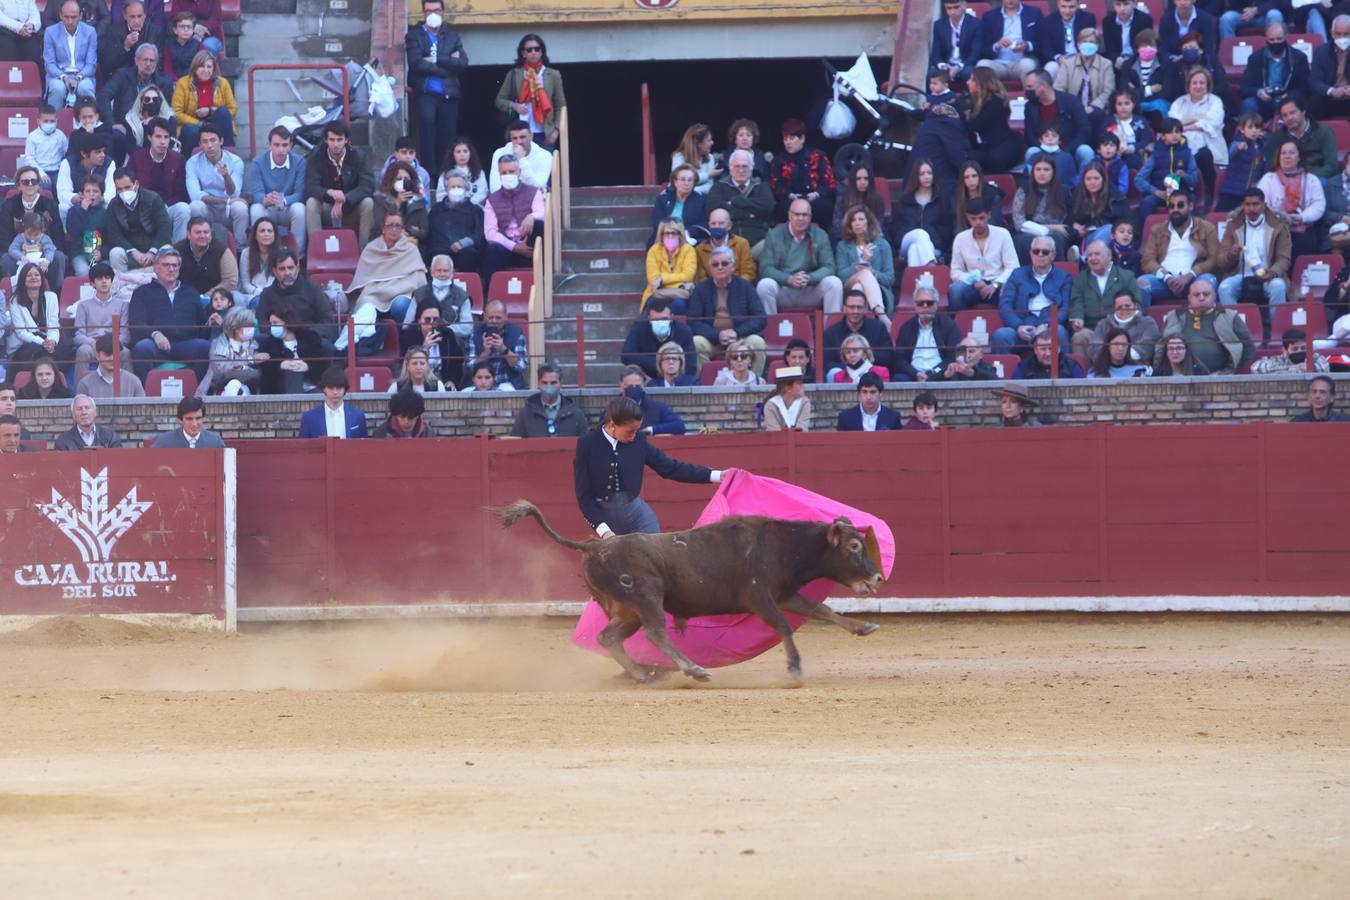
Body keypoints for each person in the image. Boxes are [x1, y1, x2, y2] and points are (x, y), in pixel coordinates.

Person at [573, 395, 722, 538]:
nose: (633, 436)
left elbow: (670, 468)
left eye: (636, 430)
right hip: (604, 518)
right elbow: (584, 497)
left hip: (637, 515)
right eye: (629, 431)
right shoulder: (588, 444)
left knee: (656, 557)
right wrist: (605, 531)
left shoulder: (638, 440)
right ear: (612, 426)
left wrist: (716, 475)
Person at [406, 0, 466, 183]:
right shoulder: (414, 35)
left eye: (437, 10)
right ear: (423, 13)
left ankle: (447, 173)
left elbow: (462, 64)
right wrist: (447, 62)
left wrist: (434, 59)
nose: (433, 13)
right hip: (426, 93)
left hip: (449, 94)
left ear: (443, 11)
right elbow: (416, 63)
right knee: (427, 129)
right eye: (429, 10)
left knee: (447, 135)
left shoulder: (452, 36)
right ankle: (430, 175)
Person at [127, 247, 209, 380]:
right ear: (155, 268)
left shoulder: (191, 292)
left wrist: (210, 323)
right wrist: (155, 334)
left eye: (174, 265)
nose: (171, 269)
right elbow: (136, 323)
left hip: (186, 343)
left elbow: (201, 326)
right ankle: (144, 397)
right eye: (166, 265)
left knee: (206, 348)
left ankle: (195, 395)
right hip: (155, 345)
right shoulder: (142, 292)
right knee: (142, 348)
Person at [687, 245, 768, 372]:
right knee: (696, 342)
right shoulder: (700, 289)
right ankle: (703, 388)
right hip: (712, 340)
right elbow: (693, 321)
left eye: (724, 263)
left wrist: (737, 333)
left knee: (757, 343)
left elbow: (760, 318)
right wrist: (717, 335)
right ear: (710, 268)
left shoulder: (745, 287)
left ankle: (754, 385)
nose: (719, 267)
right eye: (715, 264)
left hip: (740, 339)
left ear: (733, 266)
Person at [756, 197, 842, 315]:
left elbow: (829, 267)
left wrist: (810, 278)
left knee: (834, 283)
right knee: (764, 285)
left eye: (805, 215)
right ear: (789, 215)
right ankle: (770, 330)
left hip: (809, 289)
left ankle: (830, 331)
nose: (801, 218)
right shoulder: (774, 235)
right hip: (784, 288)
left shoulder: (820, 235)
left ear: (810, 217)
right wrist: (789, 279)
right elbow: (765, 268)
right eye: (797, 214)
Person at [1155, 278, 1255, 375]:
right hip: (1181, 377)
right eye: (1196, 295)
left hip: (1218, 378)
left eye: (1206, 294)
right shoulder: (1174, 316)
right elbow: (1160, 347)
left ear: (1214, 296)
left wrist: (1229, 370)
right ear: (1189, 298)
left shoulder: (1228, 315)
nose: (1201, 298)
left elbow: (1249, 345)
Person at [993, 234, 1072, 355]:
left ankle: (1064, 372)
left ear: (1053, 255)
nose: (1040, 254)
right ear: (1030, 253)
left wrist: (1046, 325)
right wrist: (1018, 326)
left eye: (1045, 252)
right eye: (1036, 251)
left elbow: (1065, 308)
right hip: (1022, 325)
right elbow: (1005, 304)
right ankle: (1001, 373)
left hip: (1049, 327)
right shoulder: (1017, 274)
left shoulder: (1064, 277)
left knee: (1060, 332)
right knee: (1001, 335)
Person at [1139, 190, 1219, 306]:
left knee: (1207, 281)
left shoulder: (1207, 228)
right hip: (1165, 282)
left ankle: (1204, 323)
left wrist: (1191, 274)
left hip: (1194, 280)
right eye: (1171, 206)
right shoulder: (1157, 230)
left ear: (1190, 206)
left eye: (1180, 205)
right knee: (1141, 283)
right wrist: (1167, 277)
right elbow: (1147, 261)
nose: (1175, 209)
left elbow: (1214, 259)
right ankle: (1144, 323)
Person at [348, 212, 428, 327]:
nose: (394, 229)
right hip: (375, 295)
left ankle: (404, 339)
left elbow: (419, 279)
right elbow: (362, 281)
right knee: (366, 305)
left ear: (402, 229)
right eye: (390, 225)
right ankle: (357, 341)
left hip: (402, 293)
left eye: (397, 226)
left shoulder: (411, 250)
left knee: (400, 305)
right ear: (383, 228)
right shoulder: (372, 248)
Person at [1217, 189, 1293, 310]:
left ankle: (1277, 327)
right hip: (1239, 275)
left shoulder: (1278, 225)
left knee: (1278, 286)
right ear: (1243, 205)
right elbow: (1221, 260)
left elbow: (1284, 259)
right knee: (1224, 288)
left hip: (1269, 274)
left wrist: (1272, 273)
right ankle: (1233, 326)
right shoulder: (1232, 225)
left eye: (1256, 204)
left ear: (1264, 205)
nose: (1251, 208)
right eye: (1248, 204)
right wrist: (1232, 255)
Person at [304, 121, 376, 246]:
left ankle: (364, 255)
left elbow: (368, 186)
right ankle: (317, 253)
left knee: (368, 203)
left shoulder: (359, 156)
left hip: (350, 208)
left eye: (339, 140)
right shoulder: (316, 156)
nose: (335, 144)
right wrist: (329, 193)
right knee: (311, 203)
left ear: (347, 140)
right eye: (332, 140)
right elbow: (310, 186)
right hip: (327, 208)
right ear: (325, 140)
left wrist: (345, 198)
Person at [1069, 239, 1142, 357]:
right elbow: (1076, 302)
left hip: (1120, 329)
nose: (1092, 258)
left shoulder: (1126, 276)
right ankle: (1083, 374)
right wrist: (1077, 318)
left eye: (1097, 254)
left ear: (1109, 255)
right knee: (1079, 336)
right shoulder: (1080, 279)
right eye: (1090, 255)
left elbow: (1137, 304)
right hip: (1092, 329)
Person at [481, 155, 544, 290]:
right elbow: (490, 233)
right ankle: (489, 295)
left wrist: (531, 216)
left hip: (530, 244)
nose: (508, 175)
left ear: (519, 172)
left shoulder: (533, 192)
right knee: (492, 249)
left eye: (511, 172)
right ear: (499, 174)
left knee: (539, 224)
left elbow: (542, 213)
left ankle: (544, 285)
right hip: (507, 248)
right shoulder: (492, 199)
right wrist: (513, 247)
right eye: (504, 173)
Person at [494, 33, 565, 152]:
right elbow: (499, 101)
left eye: (537, 49)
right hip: (520, 133)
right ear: (523, 53)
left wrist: (556, 130)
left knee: (545, 169)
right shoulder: (514, 74)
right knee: (520, 167)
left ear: (542, 52)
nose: (533, 52)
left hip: (545, 133)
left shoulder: (553, 75)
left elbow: (560, 106)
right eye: (529, 49)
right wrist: (514, 106)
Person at [1257, 140, 1327, 257]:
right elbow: (1261, 204)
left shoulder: (1311, 179)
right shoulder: (1268, 179)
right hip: (1275, 230)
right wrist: (1280, 217)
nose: (1287, 156)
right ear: (1278, 157)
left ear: (1299, 157)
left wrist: (1302, 217)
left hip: (1304, 231)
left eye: (1291, 153)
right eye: (1283, 153)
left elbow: (1318, 205)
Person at [949, 197, 1020, 312]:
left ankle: (1008, 327)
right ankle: (957, 327)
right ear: (968, 218)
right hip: (973, 285)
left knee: (1013, 291)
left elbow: (1013, 267)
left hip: (998, 284)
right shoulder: (960, 239)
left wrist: (995, 285)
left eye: (981, 218)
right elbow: (955, 271)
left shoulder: (1003, 234)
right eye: (973, 219)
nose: (978, 222)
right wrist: (973, 281)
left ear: (989, 215)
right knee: (955, 291)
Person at [1170, 66, 1227, 205]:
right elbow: (1172, 124)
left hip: (1208, 144)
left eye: (1202, 83)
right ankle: (1179, 198)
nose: (1198, 86)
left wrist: (1184, 125)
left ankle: (1213, 196)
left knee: (1204, 156)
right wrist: (1198, 120)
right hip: (1182, 145)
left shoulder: (1215, 101)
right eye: (1194, 83)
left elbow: (1211, 123)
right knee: (1175, 158)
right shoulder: (1179, 102)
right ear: (1188, 85)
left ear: (1207, 85)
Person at [184, 123, 247, 249]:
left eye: (213, 140)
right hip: (207, 208)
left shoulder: (235, 161)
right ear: (200, 144)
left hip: (227, 211)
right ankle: (198, 246)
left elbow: (234, 194)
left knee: (240, 208)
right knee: (194, 206)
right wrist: (226, 201)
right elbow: (196, 195)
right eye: (205, 142)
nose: (209, 145)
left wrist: (226, 176)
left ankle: (240, 248)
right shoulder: (192, 162)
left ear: (221, 141)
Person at [248, 125, 308, 257]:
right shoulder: (258, 162)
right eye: (276, 145)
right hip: (268, 207)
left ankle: (298, 255)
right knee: (255, 209)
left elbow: (300, 193)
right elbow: (256, 192)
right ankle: (261, 255)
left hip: (288, 206)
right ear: (269, 145)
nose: (281, 149)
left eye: (284, 145)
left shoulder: (299, 162)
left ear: (291, 145)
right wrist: (265, 199)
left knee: (300, 209)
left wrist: (283, 200)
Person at [128, 119, 191, 242]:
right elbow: (129, 186)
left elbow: (181, 193)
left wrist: (165, 206)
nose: (163, 142)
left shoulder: (178, 160)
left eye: (166, 137)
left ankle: (178, 251)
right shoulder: (136, 158)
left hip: (168, 207)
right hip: (142, 208)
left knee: (183, 209)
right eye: (158, 137)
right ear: (149, 137)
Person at [0, 167, 66, 281]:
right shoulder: (8, 205)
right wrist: (19, 252)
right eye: (25, 182)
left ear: (39, 184)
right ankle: (11, 292)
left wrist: (46, 251)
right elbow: (4, 235)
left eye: (34, 181)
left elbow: (58, 234)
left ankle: (55, 293)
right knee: (6, 259)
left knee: (59, 257)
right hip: (18, 252)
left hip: (44, 251)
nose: (30, 184)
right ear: (18, 186)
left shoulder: (50, 204)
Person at [1022, 69, 1094, 170]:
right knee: (1031, 152)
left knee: (1085, 151)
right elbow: (1029, 135)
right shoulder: (1030, 106)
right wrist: (1045, 147)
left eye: (1030, 87)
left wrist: (1066, 151)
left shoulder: (1071, 101)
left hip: (1069, 147)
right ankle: (1032, 184)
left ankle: (1084, 183)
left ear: (1043, 85)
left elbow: (1084, 131)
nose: (1026, 90)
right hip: (1043, 148)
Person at [768, 119, 835, 227]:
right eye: (785, 139)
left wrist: (816, 194)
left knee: (824, 207)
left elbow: (829, 182)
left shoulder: (818, 156)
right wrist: (790, 195)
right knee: (784, 208)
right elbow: (776, 185)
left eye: (791, 138)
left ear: (802, 138)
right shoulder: (778, 161)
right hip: (790, 201)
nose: (788, 142)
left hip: (816, 201)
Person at [833, 206, 896, 321]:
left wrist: (873, 272)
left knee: (860, 286)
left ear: (869, 222)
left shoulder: (883, 245)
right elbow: (841, 275)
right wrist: (862, 262)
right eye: (853, 220)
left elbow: (889, 278)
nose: (857, 223)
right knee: (864, 274)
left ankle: (861, 323)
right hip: (849, 286)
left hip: (878, 290)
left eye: (861, 219)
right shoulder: (842, 246)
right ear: (850, 225)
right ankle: (882, 317)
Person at [1052, 26, 1114, 137]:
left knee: (1096, 115)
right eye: (1084, 41)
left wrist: (1093, 106)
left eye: (1092, 42)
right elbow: (1059, 89)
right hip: (1071, 108)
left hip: (1095, 109)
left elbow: (1108, 90)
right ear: (1078, 44)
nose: (1088, 44)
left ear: (1098, 45)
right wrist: (1075, 107)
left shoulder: (1106, 64)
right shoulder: (1067, 64)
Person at [1240, 21, 1310, 120]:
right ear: (1265, 39)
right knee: (1249, 104)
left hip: (1289, 100)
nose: (1275, 42)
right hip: (1264, 100)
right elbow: (1244, 87)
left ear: (1286, 37)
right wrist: (1259, 92)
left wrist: (1288, 95)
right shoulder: (1255, 58)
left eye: (1279, 39)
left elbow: (1305, 88)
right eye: (1271, 40)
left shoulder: (1299, 58)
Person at [1011, 153, 1073, 264]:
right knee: (1024, 241)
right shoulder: (1024, 189)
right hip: (1027, 232)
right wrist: (1051, 227)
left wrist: (1056, 230)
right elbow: (1019, 223)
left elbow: (1068, 221)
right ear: (1033, 172)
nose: (1042, 173)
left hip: (1056, 234)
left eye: (1046, 169)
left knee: (1055, 240)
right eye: (1038, 169)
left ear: (1053, 172)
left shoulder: (1064, 191)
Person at [706, 150, 775, 249]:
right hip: (727, 244)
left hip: (758, 243)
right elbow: (712, 208)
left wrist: (736, 202)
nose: (741, 170)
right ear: (730, 168)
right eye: (737, 166)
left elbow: (768, 207)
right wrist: (748, 214)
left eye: (744, 166)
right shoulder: (719, 186)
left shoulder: (761, 186)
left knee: (770, 248)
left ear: (751, 168)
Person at [892, 159, 952, 270]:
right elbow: (895, 229)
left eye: (929, 173)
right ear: (916, 176)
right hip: (906, 242)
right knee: (920, 234)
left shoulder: (942, 200)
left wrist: (937, 240)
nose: (927, 177)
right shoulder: (905, 200)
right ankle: (931, 266)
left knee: (914, 250)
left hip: (933, 247)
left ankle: (918, 284)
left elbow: (947, 228)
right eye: (922, 174)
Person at [893, 285, 962, 382]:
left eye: (929, 303)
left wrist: (932, 373)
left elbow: (952, 356)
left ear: (936, 305)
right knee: (898, 379)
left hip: (941, 373)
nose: (925, 306)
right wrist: (915, 373)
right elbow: (899, 359)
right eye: (920, 303)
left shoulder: (949, 325)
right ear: (915, 306)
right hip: (914, 374)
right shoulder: (906, 328)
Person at [171, 50, 236, 154]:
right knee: (191, 131)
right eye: (202, 66)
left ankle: (228, 157)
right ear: (195, 68)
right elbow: (176, 113)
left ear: (213, 68)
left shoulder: (223, 83)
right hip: (193, 125)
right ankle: (189, 165)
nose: (206, 70)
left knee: (223, 112)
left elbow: (232, 110)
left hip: (216, 124)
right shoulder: (183, 83)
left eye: (209, 67)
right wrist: (199, 123)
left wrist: (210, 111)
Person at [1263, 95, 1340, 180]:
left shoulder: (1323, 131)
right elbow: (1273, 165)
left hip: (1317, 176)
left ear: (1303, 111)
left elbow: (1332, 166)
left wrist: (1307, 178)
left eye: (1292, 113)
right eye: (1285, 115)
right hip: (1287, 178)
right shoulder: (1279, 136)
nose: (1289, 118)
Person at [1134, 119, 1199, 219]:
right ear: (1163, 136)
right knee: (1147, 202)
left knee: (1192, 200)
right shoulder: (1155, 154)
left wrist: (1184, 175)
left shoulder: (1187, 153)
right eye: (1170, 132)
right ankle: (1143, 234)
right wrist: (1155, 191)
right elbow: (1139, 179)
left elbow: (1194, 180)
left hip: (1182, 192)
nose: (1175, 135)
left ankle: (1193, 233)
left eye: (1177, 132)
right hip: (1160, 193)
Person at [71, 262, 130, 372]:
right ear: (93, 284)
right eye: (99, 278)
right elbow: (78, 336)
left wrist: (112, 344)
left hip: (114, 345)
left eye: (107, 278)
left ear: (111, 281)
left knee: (126, 353)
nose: (104, 281)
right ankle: (80, 388)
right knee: (82, 351)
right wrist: (93, 343)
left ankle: (129, 388)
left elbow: (125, 336)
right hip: (92, 345)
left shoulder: (122, 305)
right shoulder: (83, 306)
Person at [3, 263, 62, 370]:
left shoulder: (52, 297)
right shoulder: (14, 301)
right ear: (23, 280)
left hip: (47, 342)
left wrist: (52, 341)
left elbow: (54, 325)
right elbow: (21, 333)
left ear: (42, 278)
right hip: (23, 345)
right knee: (37, 350)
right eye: (29, 275)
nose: (33, 277)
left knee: (65, 349)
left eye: (37, 274)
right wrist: (43, 343)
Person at [621, 296, 696, 381]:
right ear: (649, 319)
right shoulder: (639, 328)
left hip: (676, 377)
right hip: (648, 377)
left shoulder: (684, 331)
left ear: (671, 317)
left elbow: (691, 364)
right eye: (656, 319)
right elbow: (626, 355)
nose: (660, 322)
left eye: (664, 319)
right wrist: (659, 363)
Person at [962, 67, 1021, 175]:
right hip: (988, 147)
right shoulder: (973, 100)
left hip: (1004, 148)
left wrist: (959, 116)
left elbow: (976, 125)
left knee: (991, 161)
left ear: (981, 83)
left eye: (972, 80)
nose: (968, 82)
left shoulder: (995, 102)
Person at [822, 288, 894, 376]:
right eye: (851, 307)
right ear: (844, 308)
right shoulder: (831, 333)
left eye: (859, 307)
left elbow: (888, 357)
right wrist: (851, 368)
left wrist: (864, 359)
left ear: (865, 308)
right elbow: (827, 362)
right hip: (844, 376)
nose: (855, 311)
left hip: (871, 376)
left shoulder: (878, 328)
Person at [398, 297, 462, 389]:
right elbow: (405, 366)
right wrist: (424, 348)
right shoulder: (408, 337)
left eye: (435, 319)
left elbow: (456, 363)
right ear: (419, 320)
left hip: (443, 384)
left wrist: (452, 381)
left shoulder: (447, 335)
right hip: (417, 384)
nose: (432, 324)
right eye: (427, 320)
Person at [42, 1, 97, 110]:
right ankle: (53, 121)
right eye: (66, 17)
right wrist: (65, 78)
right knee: (58, 88)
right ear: (60, 15)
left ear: (80, 16)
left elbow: (91, 65)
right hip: (58, 75)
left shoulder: (90, 32)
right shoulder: (50, 32)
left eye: (73, 17)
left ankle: (90, 124)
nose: (70, 21)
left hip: (83, 75)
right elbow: (50, 64)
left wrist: (78, 78)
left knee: (85, 87)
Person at [426, 173, 484, 272]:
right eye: (452, 187)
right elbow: (429, 234)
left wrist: (464, 243)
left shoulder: (475, 210)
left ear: (466, 189)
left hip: (465, 252)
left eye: (459, 187)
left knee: (469, 253)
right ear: (446, 190)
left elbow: (480, 234)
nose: (456, 189)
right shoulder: (436, 210)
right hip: (440, 251)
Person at [509, 363, 587, 438]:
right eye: (544, 383)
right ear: (538, 384)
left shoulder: (576, 414)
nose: (549, 386)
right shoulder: (525, 415)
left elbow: (585, 446)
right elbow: (515, 443)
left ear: (561, 384)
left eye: (553, 383)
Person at [976, 0, 1044, 81]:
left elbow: (1043, 42)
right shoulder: (989, 16)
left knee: (1027, 64)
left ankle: (1030, 93)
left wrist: (1027, 45)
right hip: (998, 64)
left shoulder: (1034, 13)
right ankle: (988, 94)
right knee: (982, 65)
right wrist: (997, 45)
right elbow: (983, 47)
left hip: (1022, 61)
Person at [198, 305, 259, 395]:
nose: (252, 328)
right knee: (234, 385)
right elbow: (222, 370)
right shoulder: (218, 343)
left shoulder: (253, 344)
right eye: (248, 325)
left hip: (248, 386)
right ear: (236, 327)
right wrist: (250, 362)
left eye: (253, 324)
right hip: (219, 388)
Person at [466, 299, 527, 389]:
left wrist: (504, 350)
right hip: (479, 384)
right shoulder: (474, 333)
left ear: (506, 317)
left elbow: (521, 366)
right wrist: (485, 354)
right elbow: (469, 367)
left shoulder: (516, 333)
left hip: (507, 383)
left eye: (498, 318)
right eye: (491, 317)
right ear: (485, 316)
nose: (494, 321)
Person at [411, 254, 474, 340]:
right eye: (439, 270)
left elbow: (467, 327)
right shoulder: (419, 294)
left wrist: (443, 330)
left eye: (446, 271)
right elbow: (408, 324)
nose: (442, 274)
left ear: (452, 273)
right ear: (431, 272)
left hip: (452, 343)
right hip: (423, 342)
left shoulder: (462, 296)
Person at [1218, 113, 1272, 213]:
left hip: (1249, 192)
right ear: (1242, 129)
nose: (1254, 130)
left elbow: (1264, 170)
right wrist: (1239, 147)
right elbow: (1231, 152)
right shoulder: (1238, 142)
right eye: (1250, 127)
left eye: (1257, 127)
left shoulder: (1262, 148)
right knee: (1222, 216)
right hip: (1231, 190)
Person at [1087, 290, 1159, 366]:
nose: (1124, 309)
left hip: (1138, 367)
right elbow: (1094, 347)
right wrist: (1114, 357)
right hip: (1106, 368)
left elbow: (1148, 347)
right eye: (1120, 307)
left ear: (1135, 306)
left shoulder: (1148, 322)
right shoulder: (1103, 324)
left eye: (1127, 306)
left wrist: (1119, 355)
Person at [298, 365, 368, 439]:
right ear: (324, 389)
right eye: (331, 388)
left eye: (339, 388)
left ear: (344, 389)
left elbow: (363, 446)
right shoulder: (309, 417)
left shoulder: (357, 415)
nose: (335, 392)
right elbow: (303, 448)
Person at [642, 218, 695, 312]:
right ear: (661, 235)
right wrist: (680, 285)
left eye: (674, 233)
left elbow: (688, 276)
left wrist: (662, 279)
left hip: (679, 294)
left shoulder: (688, 250)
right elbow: (653, 280)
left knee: (679, 305)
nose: (670, 236)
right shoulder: (653, 250)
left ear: (680, 235)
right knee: (651, 304)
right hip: (657, 293)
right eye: (667, 233)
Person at [175, 215, 237, 295]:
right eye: (198, 232)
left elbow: (230, 281)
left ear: (211, 235)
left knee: (237, 298)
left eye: (206, 232)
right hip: (183, 296)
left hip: (215, 298)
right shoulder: (177, 251)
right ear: (189, 234)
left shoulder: (222, 251)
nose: (202, 236)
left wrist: (207, 296)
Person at [373, 161, 430, 249]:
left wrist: (408, 231)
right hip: (386, 246)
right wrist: (397, 204)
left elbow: (424, 232)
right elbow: (379, 227)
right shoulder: (380, 199)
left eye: (406, 179)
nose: (403, 182)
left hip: (412, 247)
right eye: (399, 179)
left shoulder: (418, 201)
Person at [649, 164, 707, 247]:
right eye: (683, 180)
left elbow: (704, 224)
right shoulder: (663, 199)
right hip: (665, 238)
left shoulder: (701, 200)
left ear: (694, 183)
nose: (686, 183)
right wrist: (672, 233)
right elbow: (657, 222)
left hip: (690, 240)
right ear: (675, 182)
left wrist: (688, 232)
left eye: (690, 180)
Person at [488, 120, 553, 194]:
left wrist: (522, 159)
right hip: (506, 200)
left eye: (522, 137)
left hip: (534, 201)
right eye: (515, 138)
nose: (519, 142)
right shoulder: (500, 153)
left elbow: (537, 187)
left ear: (531, 136)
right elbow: (494, 187)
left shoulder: (545, 156)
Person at [617, 369, 686, 435]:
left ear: (643, 386)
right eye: (630, 386)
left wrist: (651, 430)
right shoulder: (613, 409)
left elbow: (679, 426)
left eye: (638, 386)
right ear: (621, 387)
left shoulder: (657, 408)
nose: (634, 389)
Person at [695, 207, 755, 283]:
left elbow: (748, 272)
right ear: (709, 226)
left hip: (738, 289)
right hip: (712, 292)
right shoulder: (700, 249)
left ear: (729, 225)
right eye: (713, 223)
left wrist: (736, 287)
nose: (717, 226)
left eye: (721, 223)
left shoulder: (742, 243)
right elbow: (701, 278)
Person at [77, 333, 146, 398]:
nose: (112, 358)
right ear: (97, 356)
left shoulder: (134, 381)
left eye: (115, 354)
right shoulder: (84, 384)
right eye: (107, 354)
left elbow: (143, 409)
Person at [831, 162, 888, 240]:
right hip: (847, 238)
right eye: (858, 178)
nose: (863, 182)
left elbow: (879, 225)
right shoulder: (843, 198)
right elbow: (836, 226)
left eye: (866, 178)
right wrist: (855, 235)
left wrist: (865, 236)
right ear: (853, 180)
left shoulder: (877, 199)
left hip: (871, 238)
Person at [1309, 15, 1350, 120]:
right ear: (1332, 33)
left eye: (1346, 34)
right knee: (1315, 99)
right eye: (1338, 34)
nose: (1342, 38)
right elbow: (1315, 81)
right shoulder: (1321, 52)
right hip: (1329, 97)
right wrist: (1331, 91)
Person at [932, 0, 981, 85]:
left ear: (964, 6)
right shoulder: (939, 25)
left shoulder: (975, 24)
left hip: (965, 64)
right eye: (949, 8)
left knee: (968, 73)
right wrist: (942, 65)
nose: (952, 12)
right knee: (931, 75)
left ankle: (967, 97)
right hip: (947, 64)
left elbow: (975, 54)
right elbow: (936, 53)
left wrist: (959, 67)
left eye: (956, 7)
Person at [52, 394, 123, 450]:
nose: (84, 412)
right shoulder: (63, 441)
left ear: (95, 412)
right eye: (79, 409)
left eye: (87, 408)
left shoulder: (110, 437)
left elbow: (118, 462)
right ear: (73, 415)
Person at [835, 372, 901, 431]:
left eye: (873, 392)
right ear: (859, 393)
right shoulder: (845, 418)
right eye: (864, 392)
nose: (868, 397)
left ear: (880, 393)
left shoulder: (893, 417)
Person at [151, 396, 225, 448]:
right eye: (189, 419)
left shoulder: (215, 442)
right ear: (180, 420)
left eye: (198, 418)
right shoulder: (164, 442)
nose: (194, 424)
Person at [234, 218, 277, 308]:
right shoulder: (246, 253)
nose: (266, 234)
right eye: (262, 231)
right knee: (259, 303)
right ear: (255, 235)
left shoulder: (281, 252)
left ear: (274, 235)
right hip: (253, 294)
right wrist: (261, 293)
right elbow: (245, 284)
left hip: (276, 294)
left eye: (270, 231)